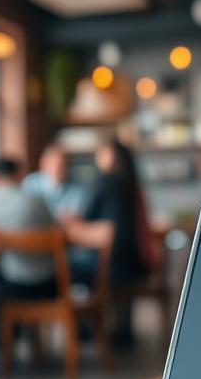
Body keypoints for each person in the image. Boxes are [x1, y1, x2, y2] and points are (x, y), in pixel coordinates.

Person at [64, 140, 153, 344]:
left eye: (101, 152)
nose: (97, 157)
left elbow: (83, 217)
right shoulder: (130, 183)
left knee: (65, 267)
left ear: (111, 156)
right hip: (136, 262)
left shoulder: (107, 181)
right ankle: (119, 329)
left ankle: (84, 327)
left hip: (117, 265)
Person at [0, 158, 57, 300]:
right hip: (49, 285)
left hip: (12, 288)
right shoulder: (38, 202)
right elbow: (59, 233)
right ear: (20, 174)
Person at [21, 142, 88, 218]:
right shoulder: (31, 183)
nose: (63, 170)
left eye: (65, 164)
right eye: (59, 166)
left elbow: (75, 217)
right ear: (44, 163)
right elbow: (28, 213)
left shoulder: (77, 186)